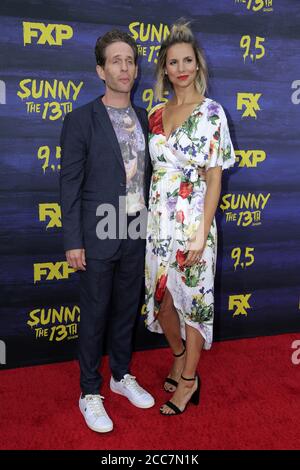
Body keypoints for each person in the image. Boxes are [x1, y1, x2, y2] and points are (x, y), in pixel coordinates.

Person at [60, 29, 154, 433]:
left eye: (129, 60)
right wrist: (73, 240)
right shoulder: (81, 119)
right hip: (97, 230)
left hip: (137, 229)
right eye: (115, 61)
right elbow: (69, 185)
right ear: (100, 70)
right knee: (95, 313)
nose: (124, 67)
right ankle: (88, 392)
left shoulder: (148, 119)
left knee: (124, 311)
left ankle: (120, 374)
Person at [144, 22, 236, 415]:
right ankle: (179, 353)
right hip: (158, 223)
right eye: (173, 62)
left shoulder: (213, 113)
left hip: (194, 222)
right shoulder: (155, 112)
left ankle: (188, 379)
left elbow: (214, 177)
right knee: (161, 299)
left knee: (196, 303)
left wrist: (201, 233)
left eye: (188, 60)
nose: (181, 68)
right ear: (164, 69)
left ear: (198, 65)